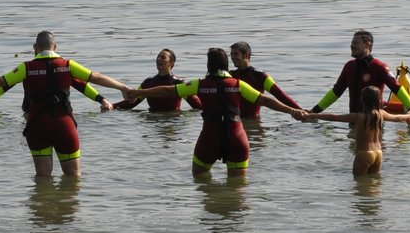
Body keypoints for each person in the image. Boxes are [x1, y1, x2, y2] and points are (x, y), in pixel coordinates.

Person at [0, 30, 133, 177]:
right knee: (74, 177)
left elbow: (1, 83)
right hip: (65, 125)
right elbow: (96, 77)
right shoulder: (68, 65)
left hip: (37, 125)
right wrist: (122, 87)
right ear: (55, 47)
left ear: (35, 48)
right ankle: (68, 216)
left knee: (43, 178)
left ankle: (41, 218)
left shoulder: (26, 68)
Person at [123, 46, 303, 173]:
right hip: (237, 139)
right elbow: (266, 100)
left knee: (200, 180)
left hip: (209, 138)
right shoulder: (238, 84)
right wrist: (293, 112)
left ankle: (212, 222)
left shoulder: (198, 84)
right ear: (226, 65)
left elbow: (166, 90)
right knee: (237, 190)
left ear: (208, 65)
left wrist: (137, 92)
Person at [308, 86, 410, 176]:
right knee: (374, 183)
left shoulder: (358, 117)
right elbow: (397, 118)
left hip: (364, 153)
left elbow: (333, 117)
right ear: (379, 101)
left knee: (359, 184)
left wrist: (311, 115)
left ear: (362, 100)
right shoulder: (381, 114)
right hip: (378, 153)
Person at [309, 29, 410, 116]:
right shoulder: (349, 66)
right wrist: (314, 111)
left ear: (367, 45)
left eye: (356, 43)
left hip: (374, 123)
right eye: (351, 42)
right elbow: (336, 92)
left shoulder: (380, 67)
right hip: (353, 121)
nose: (352, 45)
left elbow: (397, 88)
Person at [229, 41, 304, 119]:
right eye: (231, 54)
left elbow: (280, 95)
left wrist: (300, 110)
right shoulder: (231, 75)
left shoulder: (260, 76)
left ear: (246, 55)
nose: (232, 57)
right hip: (234, 121)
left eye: (236, 54)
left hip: (253, 121)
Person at [115, 48, 202, 112]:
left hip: (173, 121)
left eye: (163, 57)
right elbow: (131, 103)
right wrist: (112, 106)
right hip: (152, 122)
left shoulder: (178, 83)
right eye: (158, 57)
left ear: (171, 63)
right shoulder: (148, 83)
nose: (159, 59)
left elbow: (197, 106)